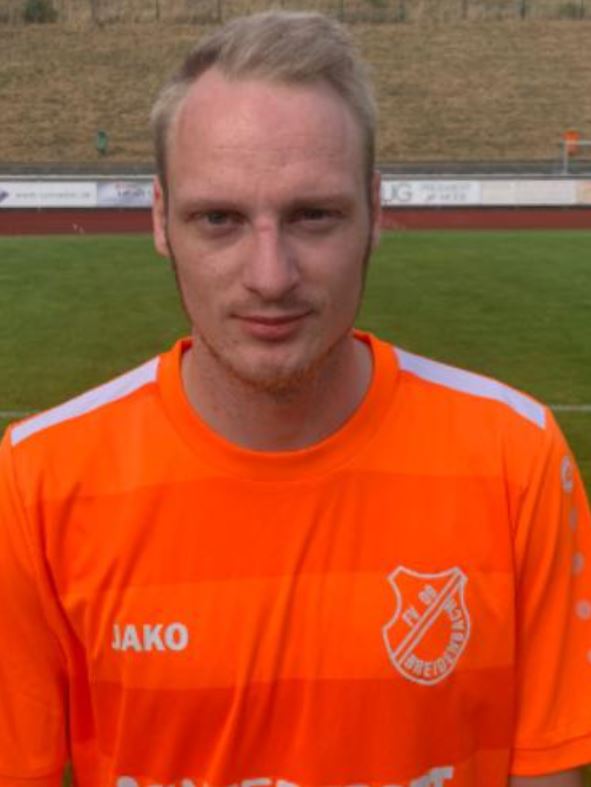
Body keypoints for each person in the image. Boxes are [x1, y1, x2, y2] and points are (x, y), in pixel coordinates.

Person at [0, 11, 590, 787]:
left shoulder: (517, 459)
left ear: (374, 213)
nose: (270, 275)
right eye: (219, 219)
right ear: (159, 221)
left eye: (313, 215)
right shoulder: (37, 482)